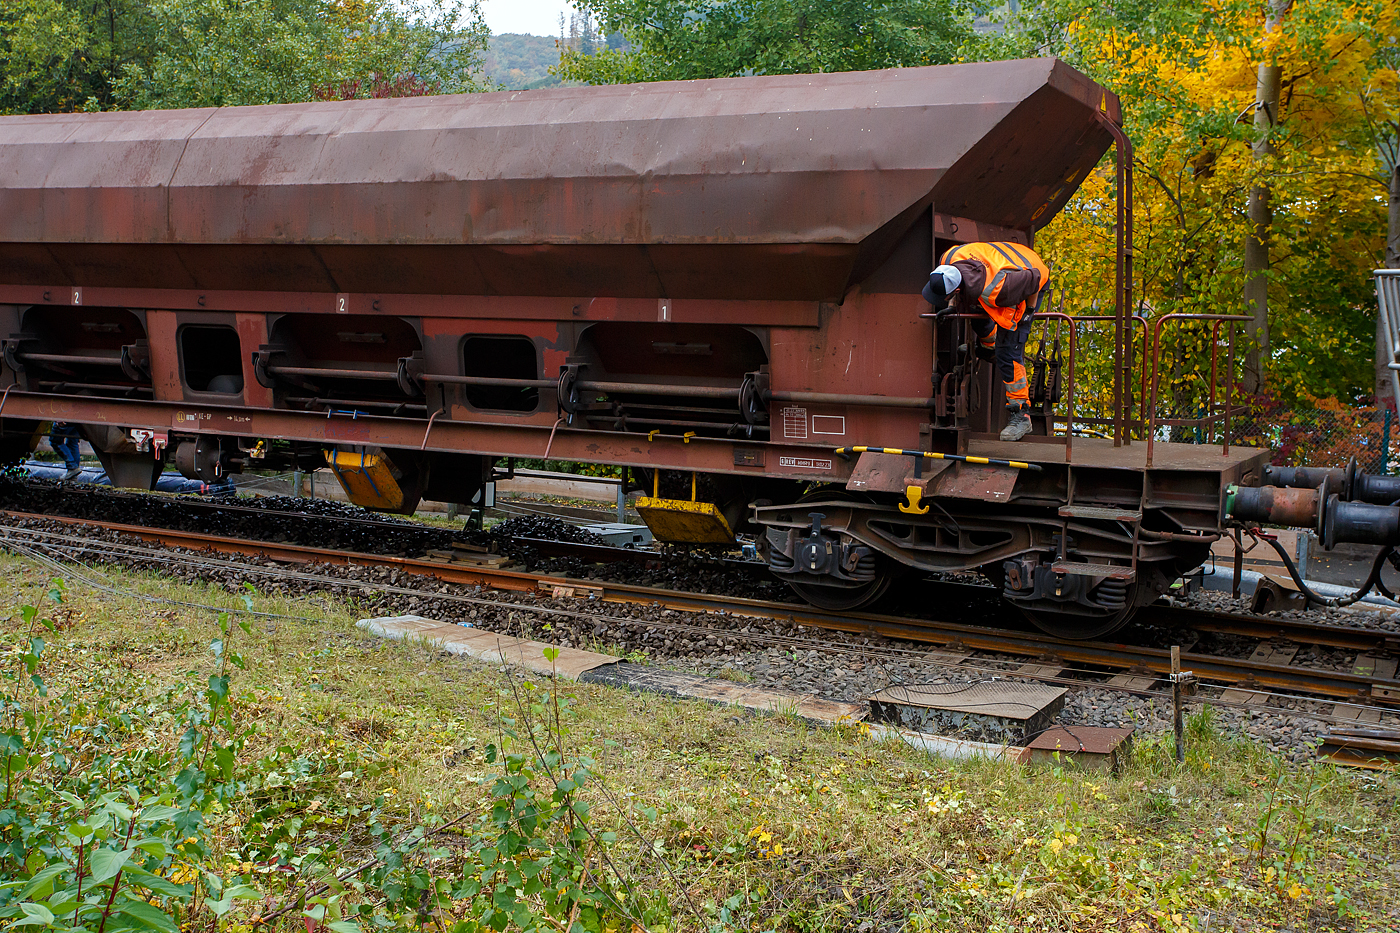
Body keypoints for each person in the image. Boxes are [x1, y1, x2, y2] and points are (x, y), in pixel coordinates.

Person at [923, 241, 1050, 442]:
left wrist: (1028, 314)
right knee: (976, 314)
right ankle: (989, 348)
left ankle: (1021, 413)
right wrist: (952, 307)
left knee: (1008, 351)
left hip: (1029, 274)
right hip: (1006, 262)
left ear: (956, 290)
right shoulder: (948, 258)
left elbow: (1037, 277)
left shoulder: (998, 289)